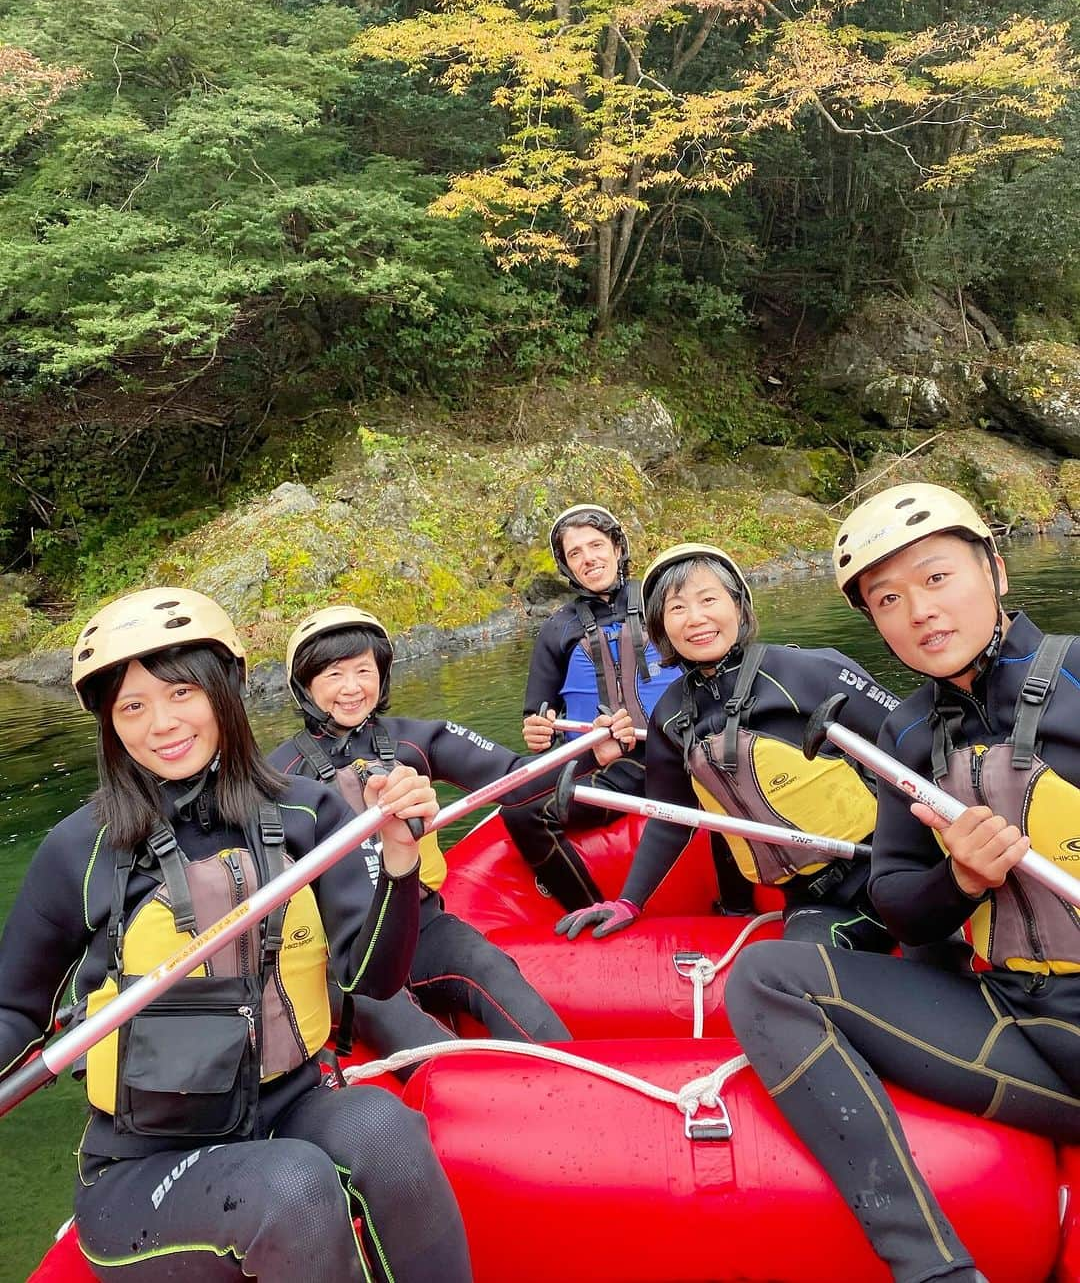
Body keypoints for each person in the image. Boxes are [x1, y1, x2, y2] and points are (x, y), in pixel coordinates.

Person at [0, 588, 472, 1283]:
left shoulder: (306, 811)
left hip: (292, 1103)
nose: (160, 724)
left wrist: (399, 868)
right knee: (293, 1185)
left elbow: (370, 980)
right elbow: (15, 1009)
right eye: (131, 706)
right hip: (146, 1161)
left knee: (386, 1129)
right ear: (108, 723)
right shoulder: (83, 848)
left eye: (181, 692)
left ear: (226, 691)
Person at [725, 483, 1080, 1283]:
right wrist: (958, 880)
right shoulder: (907, 733)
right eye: (889, 598)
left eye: (937, 577)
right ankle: (936, 1271)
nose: (919, 611)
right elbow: (899, 905)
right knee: (766, 976)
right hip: (1020, 1022)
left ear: (993, 567)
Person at [268, 606, 631, 1060]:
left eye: (364, 670)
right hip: (343, 958)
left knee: (491, 966)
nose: (352, 688)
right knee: (416, 1036)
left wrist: (589, 753)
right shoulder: (277, 776)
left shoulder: (415, 740)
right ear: (304, 686)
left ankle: (579, 1082)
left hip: (422, 924)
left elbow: (512, 777)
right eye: (333, 674)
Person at [557, 542, 903, 949]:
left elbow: (908, 739)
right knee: (797, 971)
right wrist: (628, 902)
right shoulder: (671, 714)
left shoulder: (809, 671)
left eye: (708, 599)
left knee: (935, 957)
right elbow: (670, 818)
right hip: (811, 901)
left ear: (738, 606)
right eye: (677, 608)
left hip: (890, 868)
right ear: (659, 628)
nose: (696, 618)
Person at [500, 503, 683, 909]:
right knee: (520, 811)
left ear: (617, 548)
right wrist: (537, 731)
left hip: (678, 748)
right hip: (611, 763)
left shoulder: (662, 598)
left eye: (596, 545)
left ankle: (736, 905)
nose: (588, 559)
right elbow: (537, 718)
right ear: (566, 567)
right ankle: (588, 909)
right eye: (575, 553)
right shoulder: (556, 629)